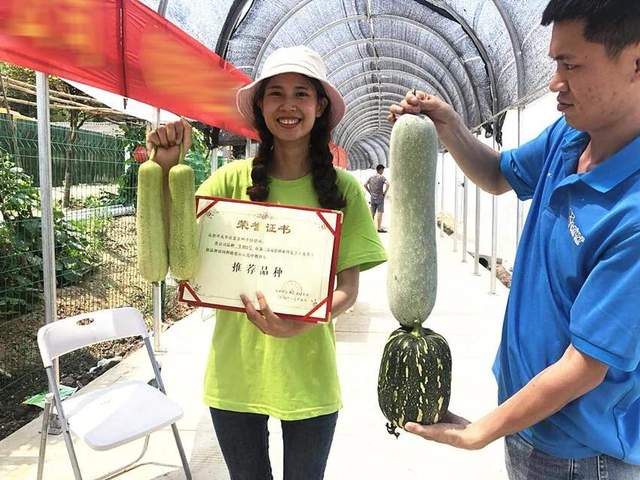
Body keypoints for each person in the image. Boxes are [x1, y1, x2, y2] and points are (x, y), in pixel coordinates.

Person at [388, 0, 640, 478]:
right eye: (554, 63)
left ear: (636, 62)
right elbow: (497, 174)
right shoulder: (570, 135)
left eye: (570, 65)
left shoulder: (633, 214)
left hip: (582, 456)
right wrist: (449, 125)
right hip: (528, 423)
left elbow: (585, 366)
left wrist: (480, 431)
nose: (555, 82)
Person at [147, 45, 386, 479]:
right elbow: (178, 253)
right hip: (235, 374)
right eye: (276, 93)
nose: (288, 105)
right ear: (260, 105)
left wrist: (300, 323)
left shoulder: (344, 189)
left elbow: (348, 290)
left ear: (319, 106)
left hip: (309, 376)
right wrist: (164, 171)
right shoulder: (229, 180)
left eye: (301, 94)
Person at [364, 164, 390, 232]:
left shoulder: (371, 177)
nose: (383, 171)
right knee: (380, 212)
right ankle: (379, 228)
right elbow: (388, 184)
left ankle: (370, 228)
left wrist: (370, 192)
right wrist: (384, 192)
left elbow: (365, 185)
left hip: (372, 198)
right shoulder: (382, 177)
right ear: (380, 170)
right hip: (380, 198)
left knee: (372, 213)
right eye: (383, 170)